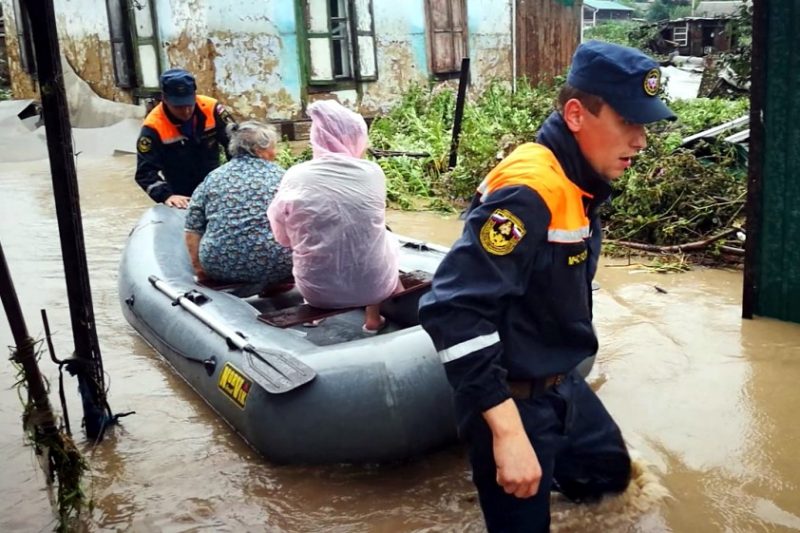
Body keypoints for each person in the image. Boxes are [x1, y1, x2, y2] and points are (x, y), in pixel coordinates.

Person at [418, 41, 677, 532]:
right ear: (577, 115)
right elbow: (452, 311)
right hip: (513, 397)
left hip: (562, 382)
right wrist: (509, 434)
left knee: (610, 476)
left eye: (644, 125)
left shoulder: (577, 182)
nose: (640, 141)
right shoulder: (529, 192)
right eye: (628, 122)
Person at [267, 100, 399, 333]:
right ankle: (373, 320)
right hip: (374, 287)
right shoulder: (373, 172)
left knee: (308, 242)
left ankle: (314, 315)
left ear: (317, 137)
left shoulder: (296, 175)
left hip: (317, 292)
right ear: (356, 137)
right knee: (385, 238)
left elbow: (282, 237)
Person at [184, 121, 292, 289]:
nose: (275, 153)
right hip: (277, 265)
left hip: (220, 266)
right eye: (273, 147)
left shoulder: (213, 178)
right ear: (259, 150)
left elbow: (192, 228)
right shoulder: (283, 177)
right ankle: (276, 286)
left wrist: (199, 270)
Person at [135, 68, 235, 209]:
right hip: (181, 193)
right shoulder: (153, 127)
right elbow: (145, 173)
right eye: (179, 107)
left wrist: (236, 178)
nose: (186, 111)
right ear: (164, 99)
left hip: (215, 183)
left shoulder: (212, 109)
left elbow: (236, 145)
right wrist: (166, 196)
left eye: (189, 104)